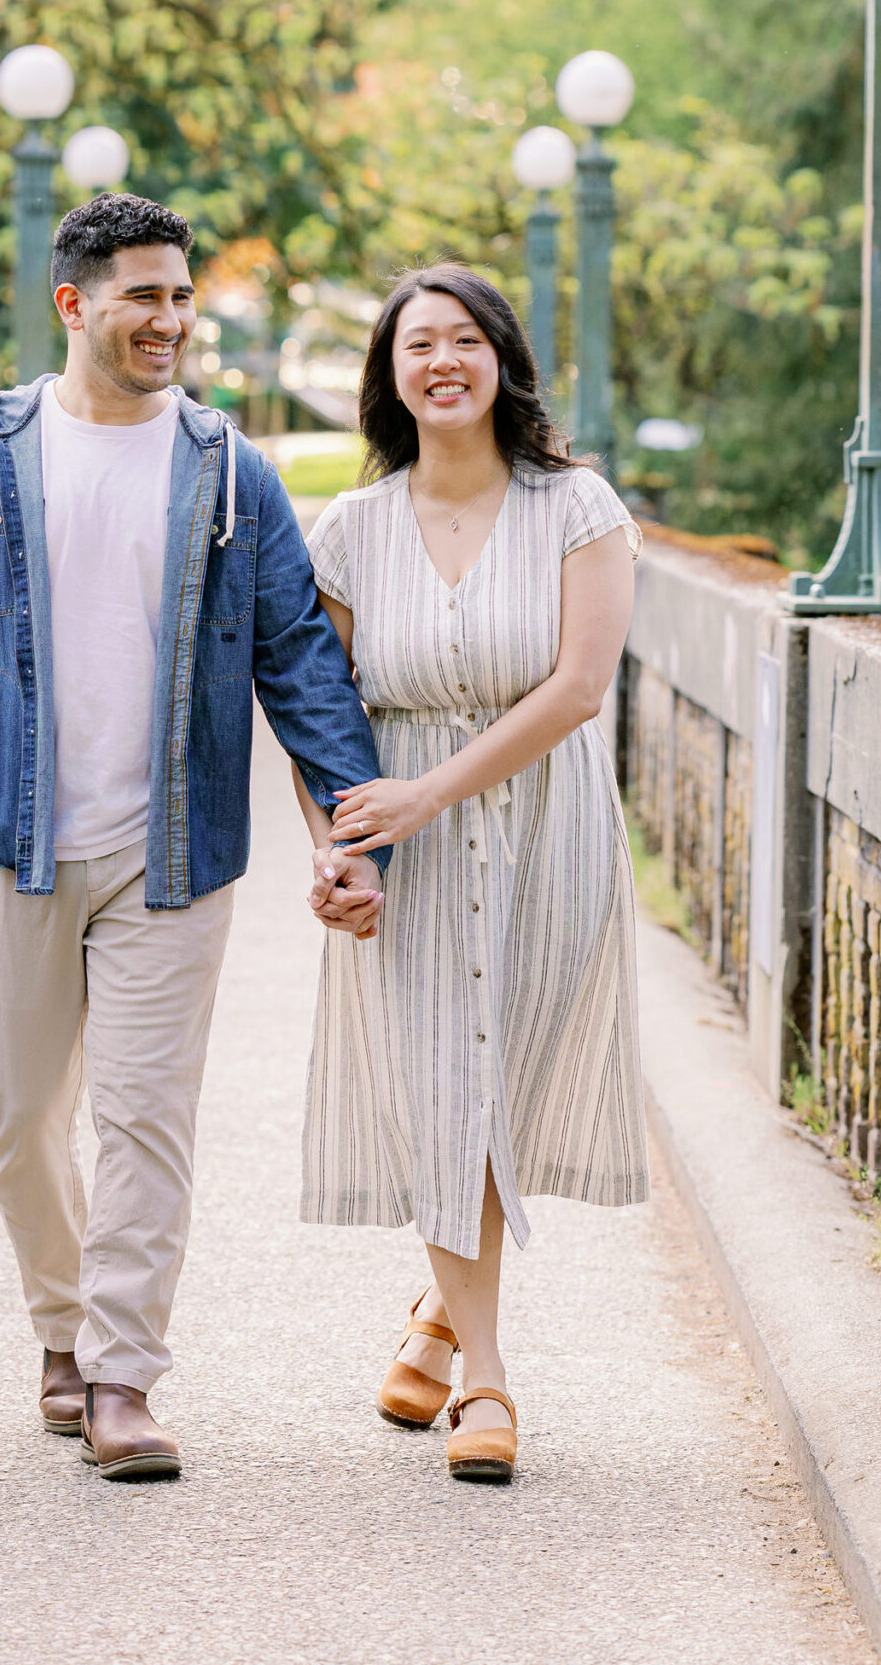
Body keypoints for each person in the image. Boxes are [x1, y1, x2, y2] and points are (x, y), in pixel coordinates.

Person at [0, 193, 383, 1482]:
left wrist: (352, 821)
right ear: (73, 304)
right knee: (21, 1107)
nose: (171, 320)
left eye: (182, 296)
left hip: (174, 846)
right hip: (8, 838)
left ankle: (121, 1376)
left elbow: (297, 657)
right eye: (144, 296)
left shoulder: (227, 468)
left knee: (147, 1118)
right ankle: (60, 1327)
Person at [293, 262, 647, 1486]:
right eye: (414, 346)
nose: (440, 361)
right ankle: (486, 1380)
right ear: (389, 378)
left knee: (505, 1083)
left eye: (462, 339)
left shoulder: (578, 507)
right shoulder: (350, 530)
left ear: (501, 357)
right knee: (448, 1087)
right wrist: (340, 854)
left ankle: (440, 1312)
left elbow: (578, 687)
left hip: (550, 834)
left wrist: (430, 794)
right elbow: (320, 713)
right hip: (410, 863)